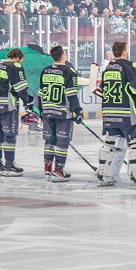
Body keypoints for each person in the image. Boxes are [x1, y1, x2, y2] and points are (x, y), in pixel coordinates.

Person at [97, 41, 136, 188]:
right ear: (124, 51)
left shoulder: (108, 68)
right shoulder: (131, 66)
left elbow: (102, 88)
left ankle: (104, 175)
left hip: (109, 113)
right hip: (129, 114)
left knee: (110, 144)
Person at [36, 46, 80, 182]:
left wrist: (41, 111)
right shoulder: (69, 71)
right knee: (62, 141)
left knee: (49, 140)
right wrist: (77, 111)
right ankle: (59, 170)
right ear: (63, 56)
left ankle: (48, 169)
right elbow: (71, 94)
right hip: (62, 112)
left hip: (47, 111)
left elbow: (40, 93)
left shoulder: (45, 70)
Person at [0, 48, 31, 177]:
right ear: (18, 57)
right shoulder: (15, 66)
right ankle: (9, 166)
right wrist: (28, 101)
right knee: (9, 136)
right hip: (7, 105)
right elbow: (20, 87)